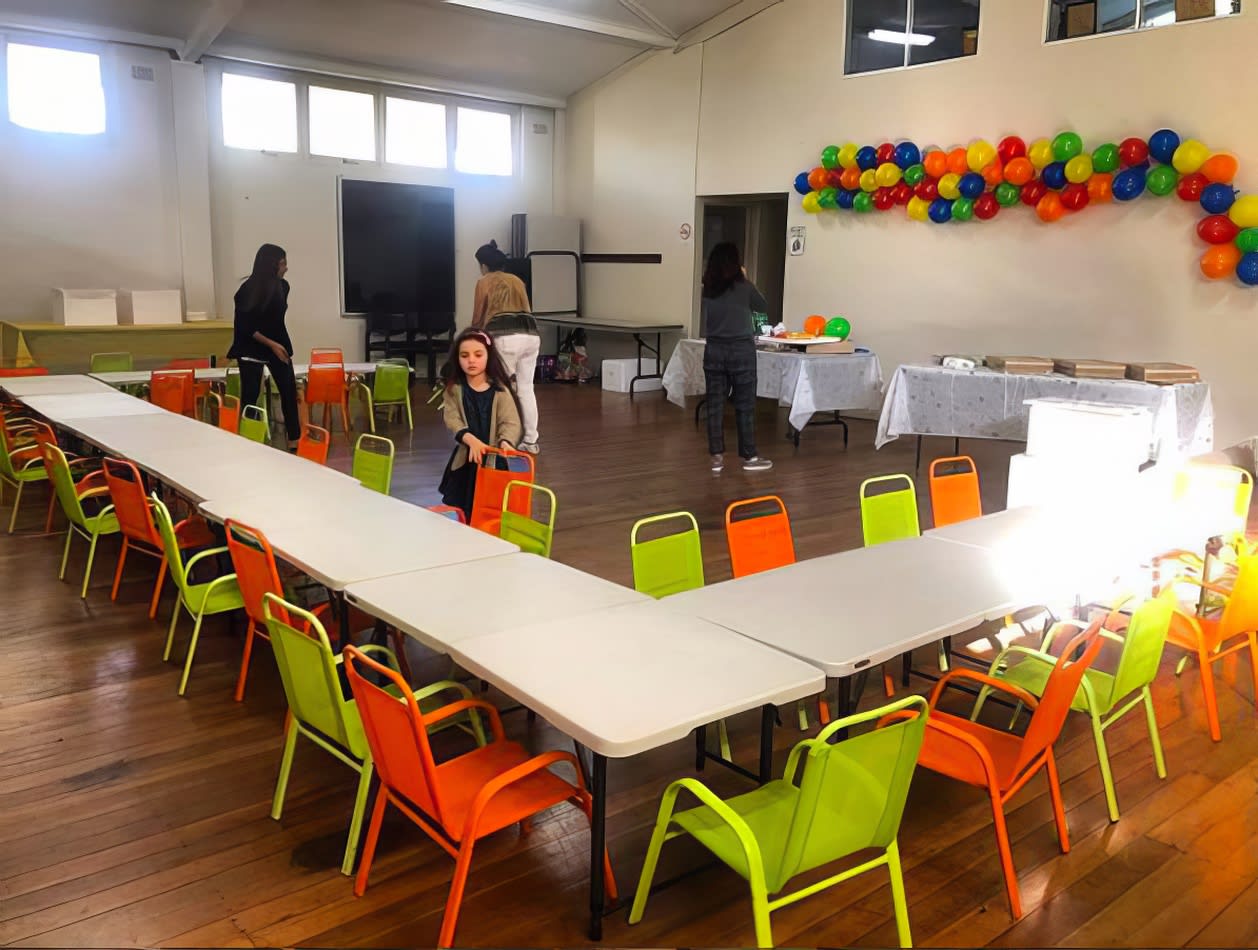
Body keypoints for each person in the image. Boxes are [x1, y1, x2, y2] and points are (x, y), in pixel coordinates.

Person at [437, 328, 524, 521]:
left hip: (492, 463)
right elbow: (452, 418)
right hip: (465, 462)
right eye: (465, 355)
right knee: (464, 509)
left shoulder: (500, 390)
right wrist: (471, 441)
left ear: (488, 356)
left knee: (492, 509)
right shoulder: (454, 389)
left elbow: (510, 421)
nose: (471, 360)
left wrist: (505, 442)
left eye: (478, 354)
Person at [700, 242, 772, 473]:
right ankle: (749, 457)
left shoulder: (708, 287)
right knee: (745, 405)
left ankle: (716, 458)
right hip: (741, 350)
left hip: (714, 350)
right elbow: (762, 306)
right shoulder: (744, 287)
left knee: (714, 405)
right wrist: (746, 278)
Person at [228, 243, 301, 448]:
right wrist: (271, 345)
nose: (286, 268)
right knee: (251, 397)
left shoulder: (283, 287)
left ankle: (294, 439)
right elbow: (246, 326)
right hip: (251, 346)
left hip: (278, 343)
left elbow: (274, 320)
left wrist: (278, 346)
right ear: (271, 265)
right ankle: (249, 440)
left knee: (288, 390)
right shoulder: (247, 290)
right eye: (282, 263)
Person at [472, 240, 541, 454]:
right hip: (530, 335)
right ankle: (530, 440)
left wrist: (471, 339)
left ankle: (500, 439)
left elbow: (478, 317)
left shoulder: (484, 282)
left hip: (504, 338)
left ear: (484, 265)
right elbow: (527, 309)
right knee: (526, 389)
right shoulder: (517, 280)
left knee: (498, 388)